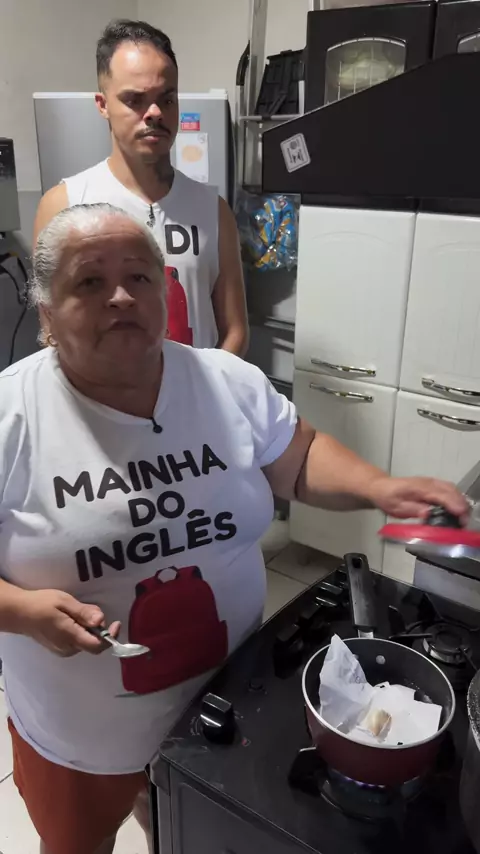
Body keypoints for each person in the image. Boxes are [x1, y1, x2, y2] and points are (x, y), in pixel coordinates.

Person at [0, 204, 467, 854]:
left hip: (220, 698)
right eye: (90, 282)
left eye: (139, 276)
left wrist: (380, 488)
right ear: (47, 312)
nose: (121, 296)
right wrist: (21, 611)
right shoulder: (13, 414)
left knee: (181, 823)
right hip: (84, 734)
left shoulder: (224, 381)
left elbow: (298, 458)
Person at [33, 19, 249, 355]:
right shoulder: (64, 204)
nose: (154, 113)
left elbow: (235, 330)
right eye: (134, 99)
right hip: (102, 388)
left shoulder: (212, 210)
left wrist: (205, 385)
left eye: (167, 99)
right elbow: (53, 331)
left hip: (193, 387)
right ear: (103, 105)